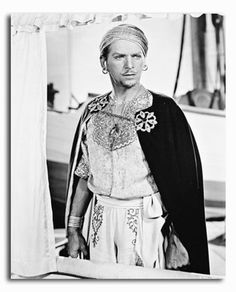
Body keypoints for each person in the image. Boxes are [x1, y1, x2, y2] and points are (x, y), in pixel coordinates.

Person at [65, 24, 210, 274]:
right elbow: (84, 173)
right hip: (100, 219)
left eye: (136, 56)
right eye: (119, 56)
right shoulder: (92, 111)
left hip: (145, 223)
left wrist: (177, 239)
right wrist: (73, 228)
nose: (129, 65)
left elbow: (184, 184)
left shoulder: (164, 110)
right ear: (104, 62)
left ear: (144, 61)